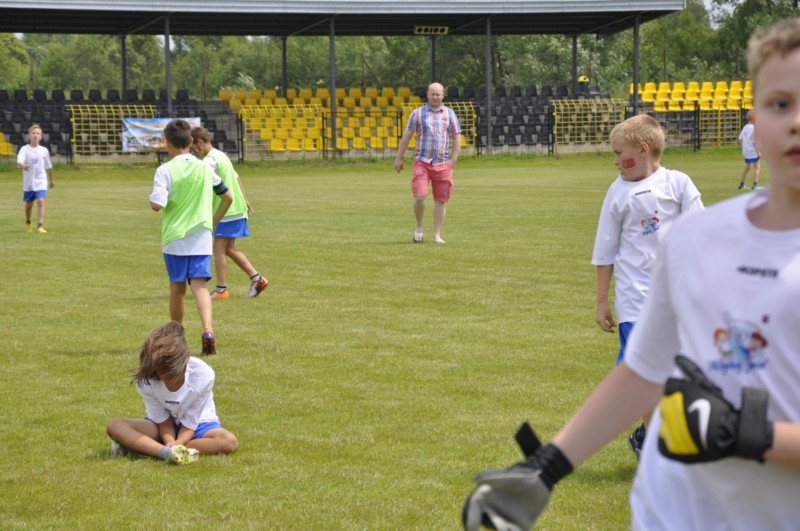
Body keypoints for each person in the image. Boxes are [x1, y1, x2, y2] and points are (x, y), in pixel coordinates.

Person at [464, 17, 800, 531]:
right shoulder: (697, 237)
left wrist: (748, 434)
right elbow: (644, 372)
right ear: (754, 120)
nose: (795, 121)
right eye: (780, 103)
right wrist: (548, 467)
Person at [592, 114, 704, 458]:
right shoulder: (617, 192)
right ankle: (658, 449)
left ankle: (648, 434)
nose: (615, 161)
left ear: (643, 150)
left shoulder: (678, 184)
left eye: (618, 153)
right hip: (635, 301)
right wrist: (601, 300)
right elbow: (605, 250)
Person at [149, 119, 233, 355]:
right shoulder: (205, 168)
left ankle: (176, 339)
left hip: (175, 238)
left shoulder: (165, 170)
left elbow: (157, 205)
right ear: (190, 141)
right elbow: (227, 197)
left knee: (177, 289)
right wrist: (213, 222)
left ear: (167, 143)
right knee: (200, 287)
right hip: (201, 237)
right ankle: (208, 331)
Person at [106, 321, 239, 464]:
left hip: (200, 425)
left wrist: (179, 442)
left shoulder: (203, 374)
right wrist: (169, 442)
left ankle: (148, 447)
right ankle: (165, 452)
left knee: (228, 441)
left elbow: (191, 421)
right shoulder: (146, 379)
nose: (169, 382)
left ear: (187, 356)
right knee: (115, 425)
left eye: (174, 375)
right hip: (160, 426)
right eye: (163, 376)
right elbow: (163, 421)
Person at [190, 127, 269, 300]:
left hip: (227, 211)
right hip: (236, 208)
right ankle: (257, 279)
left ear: (200, 142)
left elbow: (200, 184)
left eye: (193, 148)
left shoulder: (209, 161)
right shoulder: (221, 155)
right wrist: (245, 199)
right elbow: (236, 177)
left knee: (218, 248)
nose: (193, 152)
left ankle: (221, 289)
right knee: (228, 249)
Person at [394, 82, 461, 244]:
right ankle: (419, 227)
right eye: (432, 94)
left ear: (443, 95)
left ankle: (437, 235)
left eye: (438, 94)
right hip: (422, 162)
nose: (435, 97)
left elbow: (457, 136)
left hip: (442, 163)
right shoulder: (417, 114)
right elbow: (407, 136)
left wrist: (453, 160)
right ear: (427, 95)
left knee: (441, 200)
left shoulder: (450, 114)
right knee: (419, 196)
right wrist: (399, 157)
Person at [17, 123, 54, 233]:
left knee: (41, 201)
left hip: (41, 181)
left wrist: (51, 180)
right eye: (33, 133)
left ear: (41, 137)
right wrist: (23, 166)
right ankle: (28, 222)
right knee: (29, 204)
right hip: (29, 182)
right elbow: (19, 161)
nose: (35, 135)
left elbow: (48, 166)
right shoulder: (24, 149)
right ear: (29, 136)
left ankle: (40, 226)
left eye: (38, 133)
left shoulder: (44, 150)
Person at [738, 109, 761, 190]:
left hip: (746, 151)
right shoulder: (754, 128)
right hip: (753, 151)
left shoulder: (745, 127)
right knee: (757, 167)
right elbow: (754, 142)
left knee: (747, 167)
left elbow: (740, 139)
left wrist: (743, 149)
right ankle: (755, 185)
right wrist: (758, 152)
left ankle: (741, 184)